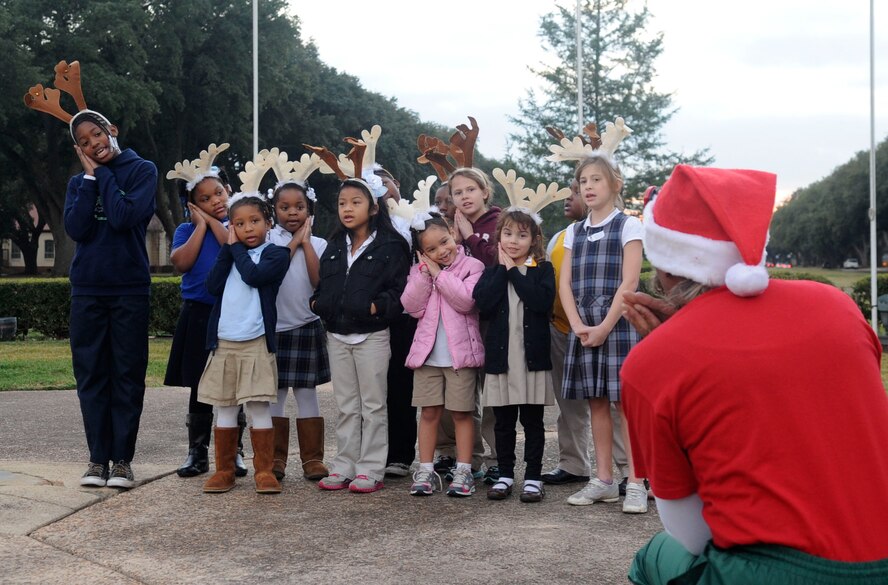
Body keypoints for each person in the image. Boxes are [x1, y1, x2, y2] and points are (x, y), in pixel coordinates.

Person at [622, 164, 888, 584]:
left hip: (773, 572)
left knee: (655, 557)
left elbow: (690, 533)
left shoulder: (651, 362)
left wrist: (671, 348)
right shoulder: (837, 306)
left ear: (665, 268)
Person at [64, 109, 157, 489]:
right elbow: (76, 228)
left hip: (129, 289)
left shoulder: (142, 170)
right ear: (78, 149)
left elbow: (121, 217)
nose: (93, 144)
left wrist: (102, 174)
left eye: (96, 134)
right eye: (84, 142)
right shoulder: (78, 182)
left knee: (127, 375)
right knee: (91, 376)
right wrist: (89, 177)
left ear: (111, 130)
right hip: (87, 290)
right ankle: (96, 460)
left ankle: (121, 461)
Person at [310, 173, 410, 493]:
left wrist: (376, 307)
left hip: (372, 335)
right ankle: (344, 465)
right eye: (342, 203)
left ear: (374, 207)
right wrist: (319, 303)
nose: (347, 209)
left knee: (373, 405)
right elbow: (325, 282)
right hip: (337, 333)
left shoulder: (392, 244)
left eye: (356, 202)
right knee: (346, 405)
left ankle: (370, 470)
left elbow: (400, 291)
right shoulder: (336, 243)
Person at [559, 153, 647, 513]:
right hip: (584, 327)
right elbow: (564, 284)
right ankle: (605, 479)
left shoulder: (628, 226)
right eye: (583, 182)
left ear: (615, 184)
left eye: (596, 179)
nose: (589, 187)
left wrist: (604, 326)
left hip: (618, 324)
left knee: (625, 405)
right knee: (596, 401)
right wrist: (579, 326)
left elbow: (630, 281)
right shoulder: (573, 232)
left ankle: (638, 481)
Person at [542, 181, 632, 490]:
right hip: (565, 328)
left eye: (575, 193)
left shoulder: (624, 228)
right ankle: (574, 463)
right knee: (571, 405)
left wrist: (602, 325)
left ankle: (628, 472)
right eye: (574, 189)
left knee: (617, 405)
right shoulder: (561, 237)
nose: (570, 198)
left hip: (606, 326)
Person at [199, 193, 289, 494]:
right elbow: (212, 285)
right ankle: (224, 470)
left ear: (268, 222)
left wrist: (233, 245)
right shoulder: (231, 254)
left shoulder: (277, 254)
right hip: (224, 341)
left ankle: (264, 471)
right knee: (224, 407)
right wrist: (228, 248)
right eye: (239, 223)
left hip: (257, 342)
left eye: (254, 221)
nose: (248, 228)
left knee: (259, 406)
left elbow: (253, 276)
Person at [165, 146, 244, 479]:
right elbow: (181, 262)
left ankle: (234, 450)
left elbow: (230, 243)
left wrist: (211, 219)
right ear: (192, 205)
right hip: (198, 312)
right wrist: (199, 224)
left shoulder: (239, 225)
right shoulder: (186, 230)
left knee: (233, 385)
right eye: (206, 198)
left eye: (220, 193)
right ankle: (197, 451)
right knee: (200, 385)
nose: (216, 200)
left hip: (233, 312)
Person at [472, 208, 555, 503]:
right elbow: (483, 303)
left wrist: (513, 272)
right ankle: (505, 473)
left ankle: (533, 477)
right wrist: (502, 271)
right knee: (503, 422)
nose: (513, 241)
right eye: (507, 234)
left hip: (531, 359)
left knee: (532, 422)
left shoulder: (542, 270)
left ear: (534, 240)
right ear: (498, 238)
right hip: (501, 360)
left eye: (522, 235)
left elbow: (540, 301)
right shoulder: (491, 273)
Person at [401, 213, 485, 496]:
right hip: (427, 357)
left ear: (452, 233)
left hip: (460, 357)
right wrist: (425, 274)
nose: (441, 251)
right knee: (429, 413)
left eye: (444, 242)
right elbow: (412, 307)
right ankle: (425, 469)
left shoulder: (472, 265)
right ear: (422, 253)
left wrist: (439, 274)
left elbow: (466, 301)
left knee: (462, 414)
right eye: (432, 249)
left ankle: (464, 470)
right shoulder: (420, 271)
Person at [436, 167, 501, 484]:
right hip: (459, 322)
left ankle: (498, 459)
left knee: (493, 395)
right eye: (457, 193)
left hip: (493, 320)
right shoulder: (450, 228)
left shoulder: (500, 222)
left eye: (470, 190)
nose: (464, 197)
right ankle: (466, 458)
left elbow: (498, 260)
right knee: (460, 394)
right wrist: (457, 240)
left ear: (485, 191)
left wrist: (471, 237)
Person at [267, 180, 330, 482]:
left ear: (309, 209)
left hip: (306, 326)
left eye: (299, 207)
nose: (292, 212)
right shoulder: (266, 240)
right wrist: (293, 242)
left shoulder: (319, 245)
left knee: (307, 394)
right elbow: (272, 274)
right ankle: (275, 458)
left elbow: (319, 281)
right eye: (285, 207)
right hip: (273, 329)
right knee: (274, 394)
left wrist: (305, 242)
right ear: (274, 210)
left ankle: (312, 459)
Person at [373, 166, 419, 479]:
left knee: (402, 388)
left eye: (385, 182)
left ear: (397, 184)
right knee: (373, 389)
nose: (383, 190)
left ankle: (401, 454)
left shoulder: (416, 220)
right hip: (373, 316)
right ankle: (371, 452)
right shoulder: (365, 225)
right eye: (374, 186)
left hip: (407, 317)